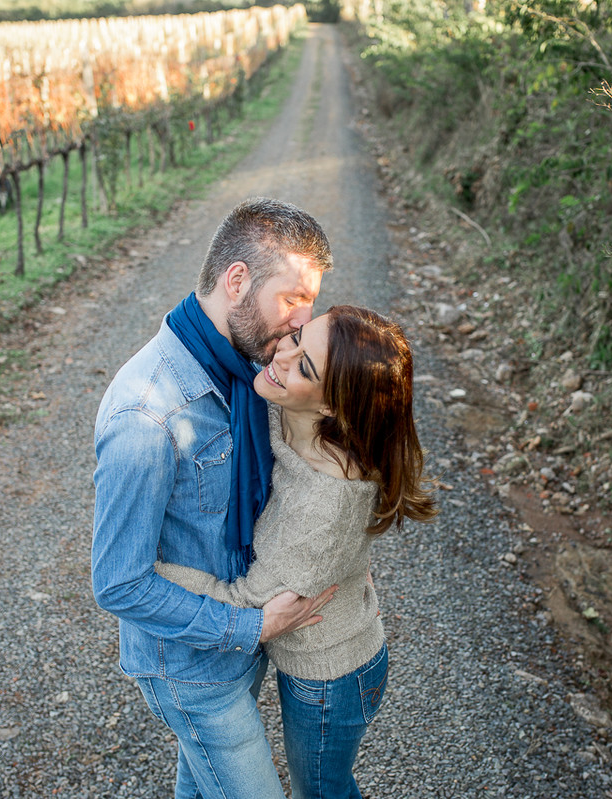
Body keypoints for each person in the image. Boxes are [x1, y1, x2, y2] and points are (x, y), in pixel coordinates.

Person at [92, 197, 336, 799]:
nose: (302, 321)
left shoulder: (246, 370)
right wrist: (251, 625)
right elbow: (118, 583)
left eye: (310, 302)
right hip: (193, 671)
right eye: (292, 298)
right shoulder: (146, 415)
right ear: (237, 281)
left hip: (241, 646)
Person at [157, 305, 438, 799]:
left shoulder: (323, 507)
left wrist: (150, 573)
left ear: (332, 407)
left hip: (331, 676)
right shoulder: (288, 407)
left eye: (304, 366)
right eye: (296, 338)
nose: (281, 357)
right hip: (318, 655)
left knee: (322, 792)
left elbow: (246, 604)